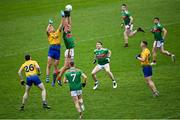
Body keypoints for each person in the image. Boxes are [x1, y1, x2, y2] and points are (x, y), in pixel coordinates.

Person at [57, 10, 75, 85]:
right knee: (66, 66)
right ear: (65, 29)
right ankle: (59, 78)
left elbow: (69, 24)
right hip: (69, 51)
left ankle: (59, 75)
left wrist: (69, 15)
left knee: (68, 67)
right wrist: (64, 17)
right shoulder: (65, 34)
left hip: (71, 51)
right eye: (67, 27)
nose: (68, 27)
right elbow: (65, 24)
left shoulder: (69, 32)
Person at [46, 18, 62, 86]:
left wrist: (63, 17)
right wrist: (50, 24)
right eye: (51, 28)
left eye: (52, 27)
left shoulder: (57, 32)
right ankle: (47, 77)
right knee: (49, 64)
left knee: (55, 66)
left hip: (57, 50)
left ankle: (54, 80)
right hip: (52, 50)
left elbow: (61, 26)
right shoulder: (49, 35)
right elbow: (46, 30)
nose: (52, 28)